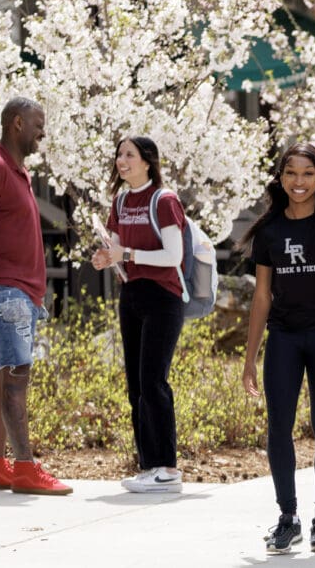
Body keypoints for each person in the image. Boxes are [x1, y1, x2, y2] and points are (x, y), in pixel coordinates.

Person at [238, 142, 315, 554]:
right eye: (291, 173)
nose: (299, 182)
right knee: (279, 428)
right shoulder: (270, 231)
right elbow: (261, 298)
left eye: (307, 173)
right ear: (281, 178)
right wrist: (251, 357)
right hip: (285, 340)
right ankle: (287, 518)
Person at [0, 96, 72, 496]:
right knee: (16, 379)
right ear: (18, 124)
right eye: (39, 124)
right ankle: (26, 468)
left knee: (2, 376)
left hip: (19, 296)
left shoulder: (17, 172)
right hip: (3, 294)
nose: (44, 131)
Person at [91, 136, 188, 494]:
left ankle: (168, 468)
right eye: (118, 153)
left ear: (148, 161)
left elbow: (172, 255)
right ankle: (148, 466)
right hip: (131, 294)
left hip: (163, 296)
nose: (122, 160)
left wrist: (126, 254)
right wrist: (106, 258)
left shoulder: (163, 200)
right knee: (136, 385)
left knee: (153, 380)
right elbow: (116, 250)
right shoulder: (120, 200)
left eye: (129, 154)